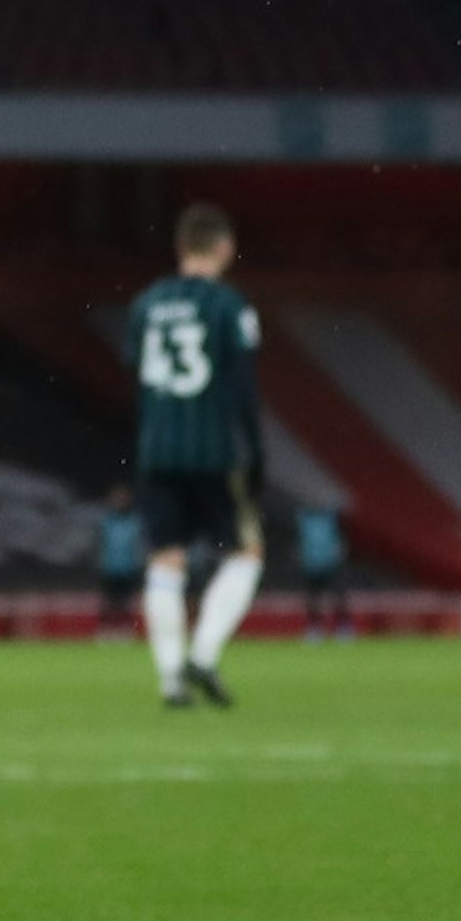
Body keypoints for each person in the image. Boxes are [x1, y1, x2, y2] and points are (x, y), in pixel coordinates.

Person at [130, 202, 265, 709]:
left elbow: (139, 376)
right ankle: (204, 655)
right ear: (224, 247)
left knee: (166, 560)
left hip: (157, 450)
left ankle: (170, 679)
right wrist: (256, 455)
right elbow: (244, 388)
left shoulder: (146, 305)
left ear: (180, 247)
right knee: (245, 552)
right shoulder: (231, 307)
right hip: (213, 450)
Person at [95, 485, 147, 638]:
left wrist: (139, 565)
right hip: (109, 569)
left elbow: (140, 546)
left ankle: (127, 632)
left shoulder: (135, 522)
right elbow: (98, 545)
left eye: (123, 497)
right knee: (108, 603)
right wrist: (99, 564)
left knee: (127, 603)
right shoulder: (106, 522)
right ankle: (105, 631)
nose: (120, 501)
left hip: (129, 569)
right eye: (117, 497)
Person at [297, 503, 352, 640]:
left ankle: (343, 627)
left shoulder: (331, 518)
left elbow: (341, 539)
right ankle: (314, 628)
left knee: (338, 597)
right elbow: (300, 541)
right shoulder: (304, 519)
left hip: (331, 564)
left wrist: (339, 554)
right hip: (311, 565)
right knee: (313, 600)